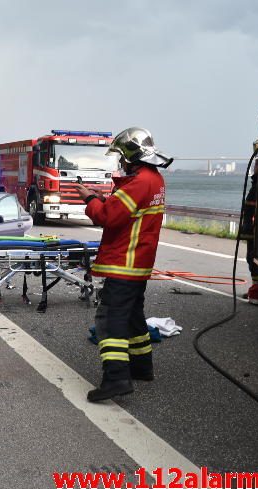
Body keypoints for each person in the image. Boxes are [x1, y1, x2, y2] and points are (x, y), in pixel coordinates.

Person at [75, 127, 172, 402]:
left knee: (110, 320)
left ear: (131, 156)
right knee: (132, 316)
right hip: (138, 263)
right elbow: (124, 213)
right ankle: (142, 367)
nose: (120, 162)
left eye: (121, 157)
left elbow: (107, 217)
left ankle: (116, 378)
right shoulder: (155, 179)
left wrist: (89, 198)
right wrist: (103, 199)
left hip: (124, 263)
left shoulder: (140, 182)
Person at [240, 161, 258, 305]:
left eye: (256, 166)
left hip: (255, 231)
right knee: (256, 258)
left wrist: (247, 227)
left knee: (254, 258)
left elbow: (250, 211)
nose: (254, 168)